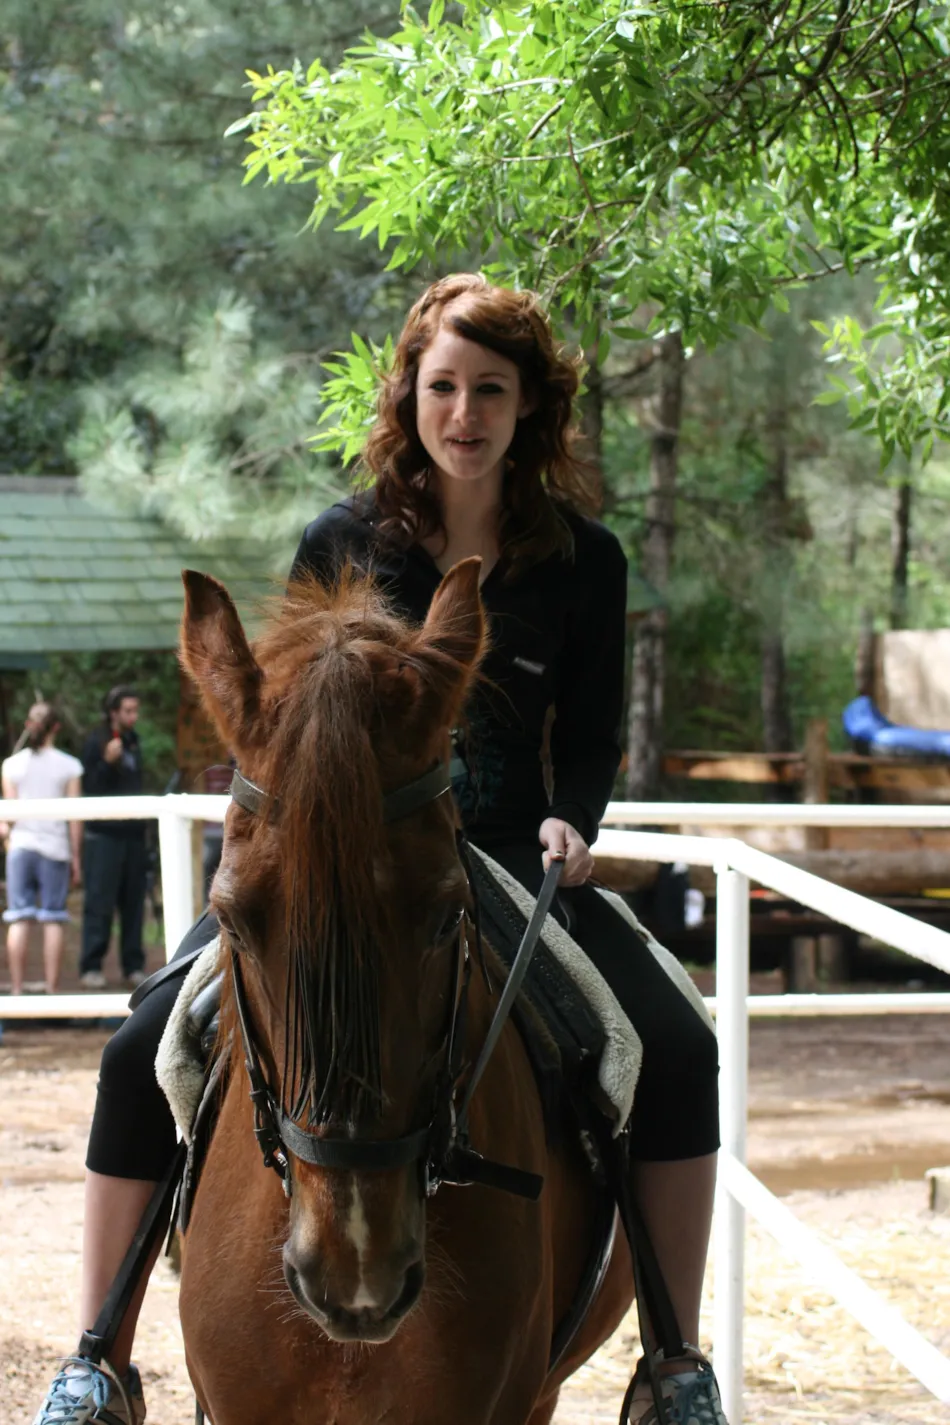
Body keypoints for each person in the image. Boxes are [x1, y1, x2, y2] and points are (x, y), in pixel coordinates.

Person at [31, 275, 724, 1425]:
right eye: (442, 388)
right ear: (409, 399)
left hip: (509, 853)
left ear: (527, 408)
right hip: (336, 860)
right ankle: (97, 1357)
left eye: (489, 391)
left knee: (672, 1042)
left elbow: (592, 735)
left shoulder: (584, 561)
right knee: (140, 1045)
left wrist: (576, 819)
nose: (463, 414)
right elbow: (284, 717)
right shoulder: (341, 540)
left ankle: (671, 1360)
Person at [1, 703, 83, 995]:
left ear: (28, 725)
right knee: (53, 917)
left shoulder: (11, 765)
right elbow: (74, 817)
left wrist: (9, 843)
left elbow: (8, 818)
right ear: (56, 728)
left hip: (21, 847)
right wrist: (76, 858)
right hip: (55, 848)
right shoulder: (69, 765)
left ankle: (17, 989)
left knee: (19, 916)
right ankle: (51, 988)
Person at [79, 687, 148, 990]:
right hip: (104, 836)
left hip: (133, 835)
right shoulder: (96, 741)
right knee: (100, 903)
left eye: (135, 710)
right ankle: (91, 966)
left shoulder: (134, 741)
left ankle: (133, 965)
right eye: (128, 710)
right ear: (114, 712)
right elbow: (89, 787)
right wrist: (106, 763)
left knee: (134, 903)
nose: (133, 716)